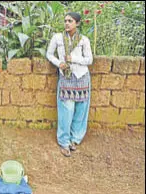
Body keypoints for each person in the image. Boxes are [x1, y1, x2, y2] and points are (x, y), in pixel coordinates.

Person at [46, 12, 93, 157]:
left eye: (70, 21)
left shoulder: (84, 40)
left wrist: (74, 58)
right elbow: (49, 54)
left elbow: (89, 60)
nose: (67, 23)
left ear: (77, 23)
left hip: (82, 77)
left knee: (80, 111)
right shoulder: (57, 38)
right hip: (66, 77)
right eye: (65, 20)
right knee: (66, 111)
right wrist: (59, 63)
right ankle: (64, 142)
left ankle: (75, 139)